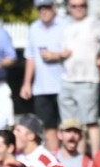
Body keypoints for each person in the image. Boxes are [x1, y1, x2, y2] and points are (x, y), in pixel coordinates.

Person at [59, 0, 100, 157]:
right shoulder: (66, 25)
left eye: (82, 5)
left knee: (90, 122)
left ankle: (96, 159)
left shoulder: (95, 23)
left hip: (88, 79)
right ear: (69, 8)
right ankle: (79, 159)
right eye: (74, 6)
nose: (78, 9)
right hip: (67, 78)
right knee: (72, 124)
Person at [20, 0, 68, 152]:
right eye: (40, 8)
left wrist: (56, 55)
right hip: (41, 87)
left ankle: (69, 160)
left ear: (54, 7)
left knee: (68, 126)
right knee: (48, 127)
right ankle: (54, 160)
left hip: (64, 85)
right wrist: (27, 83)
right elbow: (31, 57)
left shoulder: (65, 25)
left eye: (47, 7)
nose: (44, 11)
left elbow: (73, 51)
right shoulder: (34, 28)